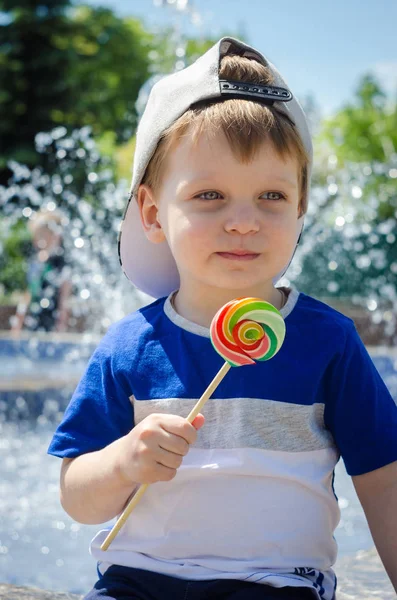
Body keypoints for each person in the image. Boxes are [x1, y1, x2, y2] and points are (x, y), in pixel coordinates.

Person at [48, 38, 397, 600]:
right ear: (154, 213)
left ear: (301, 206)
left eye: (271, 196)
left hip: (276, 582)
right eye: (210, 195)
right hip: (139, 581)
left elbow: (384, 478)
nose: (243, 221)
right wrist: (122, 462)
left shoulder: (327, 340)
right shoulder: (130, 346)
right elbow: (75, 497)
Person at [11, 209, 72, 333]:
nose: (34, 241)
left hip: (52, 321)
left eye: (40, 236)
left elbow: (65, 297)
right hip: (34, 321)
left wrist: (61, 325)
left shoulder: (60, 264)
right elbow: (29, 292)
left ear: (54, 236)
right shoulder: (35, 263)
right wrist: (18, 321)